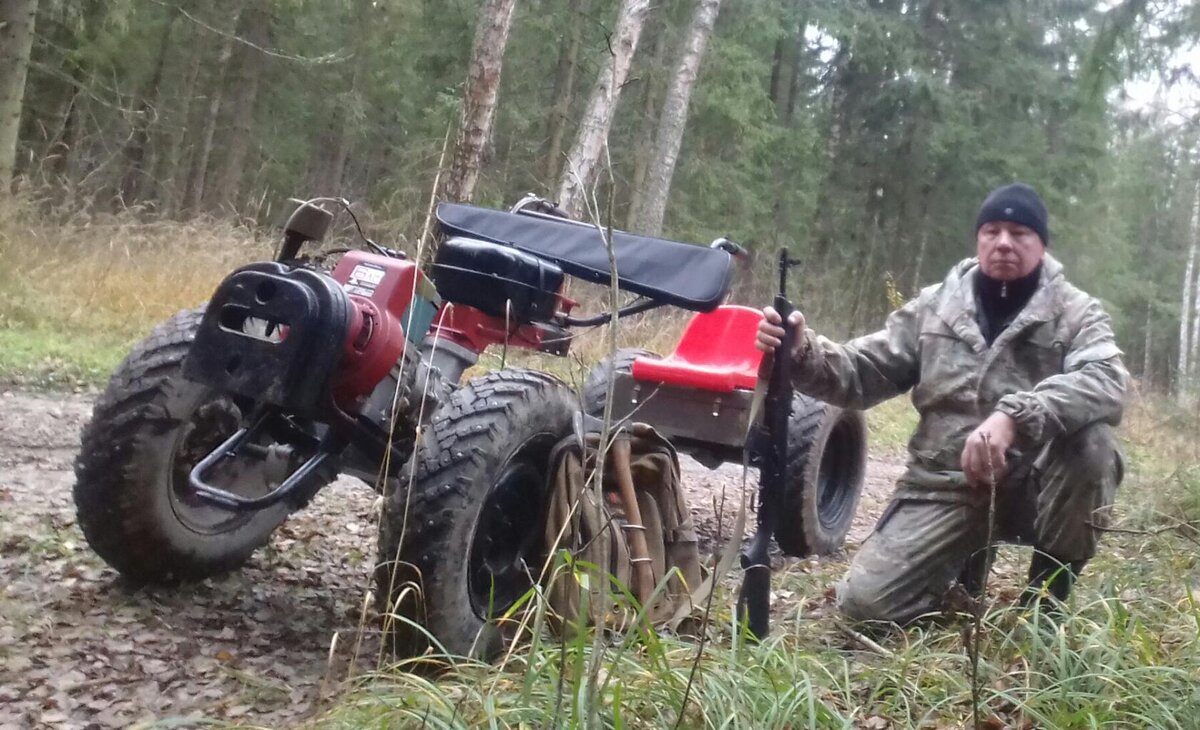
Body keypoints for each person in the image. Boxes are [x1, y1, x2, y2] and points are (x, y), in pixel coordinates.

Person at [756, 182, 1127, 623]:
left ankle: (1048, 601)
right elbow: (862, 372)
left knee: (1094, 447)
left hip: (1036, 484)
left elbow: (1106, 381)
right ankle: (961, 561)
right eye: (992, 231)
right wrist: (802, 351)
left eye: (1019, 232)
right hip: (946, 484)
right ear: (978, 238)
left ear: (1041, 244)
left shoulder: (1076, 312)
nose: (1003, 242)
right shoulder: (936, 306)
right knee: (865, 607)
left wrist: (1015, 415)